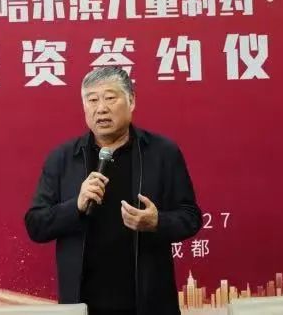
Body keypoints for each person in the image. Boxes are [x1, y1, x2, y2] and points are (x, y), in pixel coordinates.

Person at [25, 66, 202, 315]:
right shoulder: (63, 158)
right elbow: (36, 224)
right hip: (84, 305)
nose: (101, 108)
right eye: (92, 100)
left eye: (110, 98)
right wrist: (76, 206)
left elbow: (190, 217)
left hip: (149, 304)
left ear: (131, 101)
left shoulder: (162, 153)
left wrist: (156, 222)